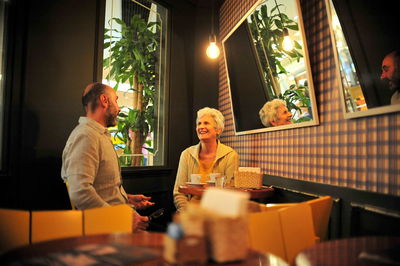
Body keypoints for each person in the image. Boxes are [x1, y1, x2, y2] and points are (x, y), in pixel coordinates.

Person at [61, 82, 154, 231]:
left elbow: (102, 187)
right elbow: (80, 192)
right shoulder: (86, 136)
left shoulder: (97, 135)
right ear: (104, 100)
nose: (118, 107)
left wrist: (127, 198)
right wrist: (121, 218)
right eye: (116, 100)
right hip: (108, 229)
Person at [173, 107, 239, 212]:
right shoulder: (186, 154)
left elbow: (230, 193)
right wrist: (186, 212)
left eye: (206, 123)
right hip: (190, 212)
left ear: (218, 129)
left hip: (217, 213)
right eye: (199, 123)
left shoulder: (230, 155)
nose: (201, 127)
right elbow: (178, 192)